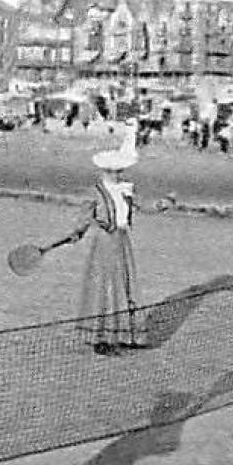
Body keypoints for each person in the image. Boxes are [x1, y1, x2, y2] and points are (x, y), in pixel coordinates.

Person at [64, 133, 144, 354]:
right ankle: (101, 338)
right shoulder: (96, 192)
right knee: (105, 286)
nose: (116, 174)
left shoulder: (126, 189)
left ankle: (119, 335)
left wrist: (165, 203)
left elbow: (141, 207)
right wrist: (76, 233)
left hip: (121, 239)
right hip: (104, 241)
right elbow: (85, 217)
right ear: (104, 171)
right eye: (112, 171)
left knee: (122, 284)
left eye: (118, 171)